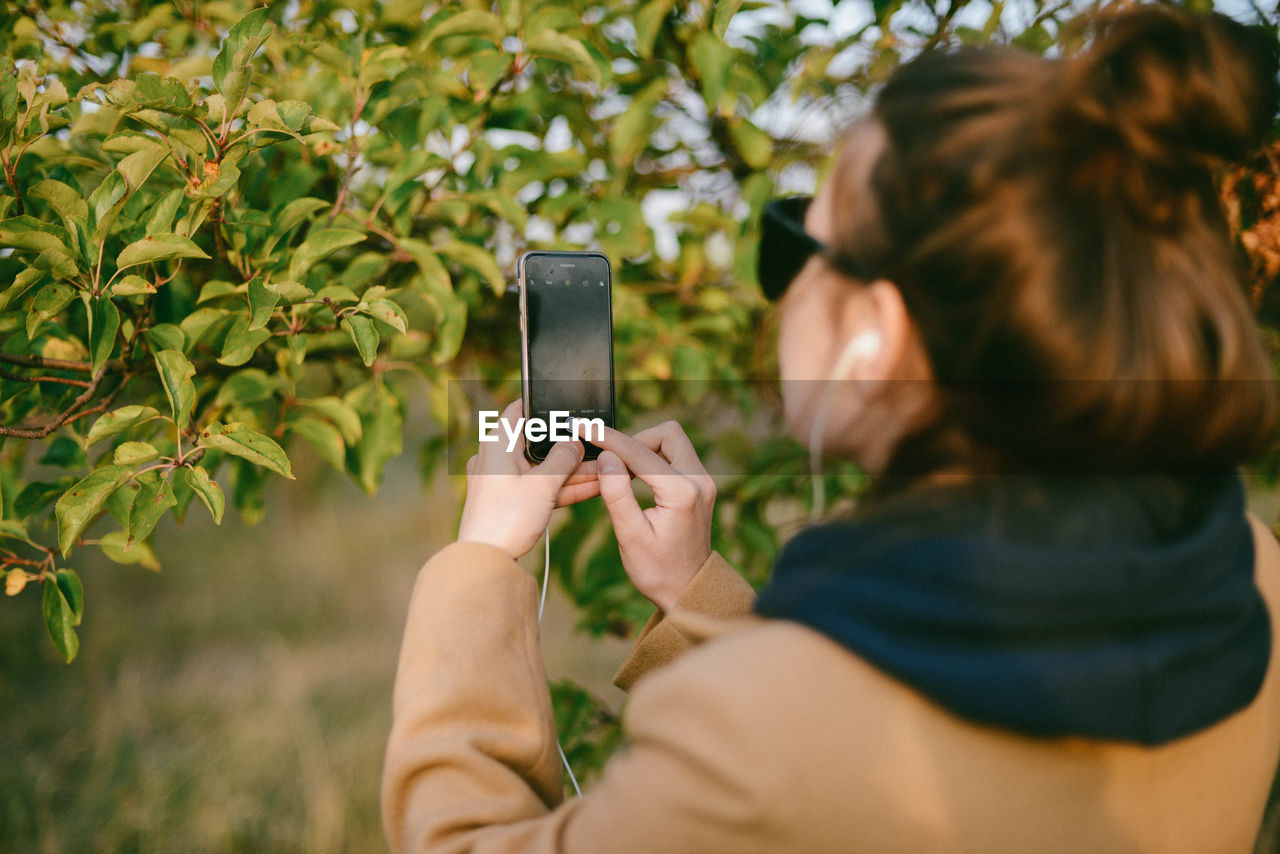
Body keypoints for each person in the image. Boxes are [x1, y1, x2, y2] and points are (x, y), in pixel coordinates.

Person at [382, 6, 1280, 852]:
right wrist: (696, 596)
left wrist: (481, 567)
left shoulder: (751, 738)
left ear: (874, 332)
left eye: (792, 245)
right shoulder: (1250, 571)